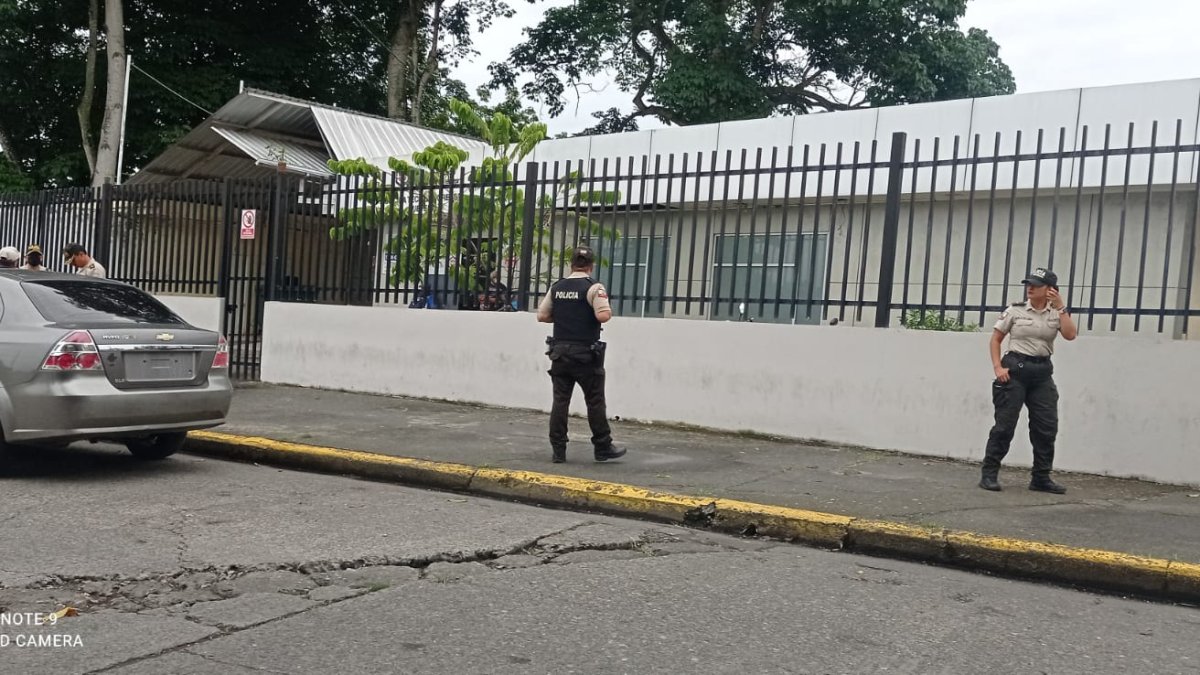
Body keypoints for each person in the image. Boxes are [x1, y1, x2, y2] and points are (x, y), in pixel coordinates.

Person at [980, 267, 1078, 494]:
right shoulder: (1015, 311)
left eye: (1036, 285)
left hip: (1042, 374)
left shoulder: (1056, 313)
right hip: (1014, 371)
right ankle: (989, 473)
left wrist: (1061, 307)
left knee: (1046, 427)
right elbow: (995, 340)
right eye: (1029, 284)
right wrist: (998, 367)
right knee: (1005, 426)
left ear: (1050, 290)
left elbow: (1071, 335)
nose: (1030, 288)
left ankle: (1041, 478)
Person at [537, 246, 626, 464]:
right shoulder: (594, 287)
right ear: (591, 265)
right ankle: (602, 446)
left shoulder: (557, 287)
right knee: (594, 401)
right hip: (585, 354)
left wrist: (565, 318)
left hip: (559, 353)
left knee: (560, 401)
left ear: (571, 264)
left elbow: (542, 315)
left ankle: (558, 450)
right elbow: (603, 316)